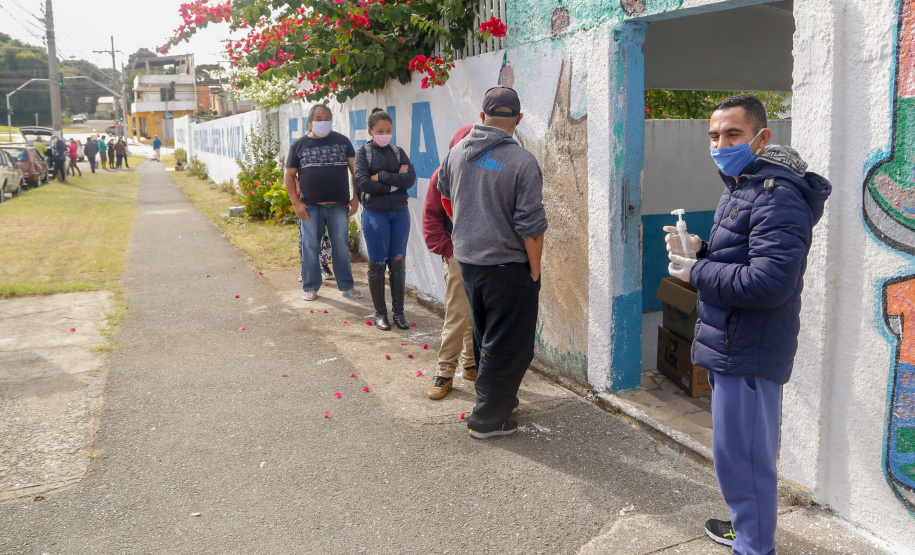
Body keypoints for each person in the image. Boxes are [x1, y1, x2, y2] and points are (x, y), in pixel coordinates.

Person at [664, 95, 832, 555]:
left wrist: (694, 273)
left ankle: (755, 547)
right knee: (734, 457)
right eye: (714, 136)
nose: (720, 143)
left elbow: (768, 283)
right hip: (731, 343)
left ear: (762, 137)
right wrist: (699, 250)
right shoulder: (743, 186)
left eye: (732, 134)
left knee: (747, 460)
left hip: (750, 349)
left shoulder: (779, 196)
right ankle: (747, 528)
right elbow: (743, 256)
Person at [437, 86, 547, 438]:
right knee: (510, 343)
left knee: (486, 336)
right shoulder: (522, 161)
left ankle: (499, 399)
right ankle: (488, 419)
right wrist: (535, 268)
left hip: (469, 262)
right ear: (518, 119)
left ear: (482, 117)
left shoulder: (456, 153)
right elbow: (531, 226)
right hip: (506, 265)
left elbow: (445, 196)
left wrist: (468, 233)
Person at [283, 103, 363, 302]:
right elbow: (289, 176)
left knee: (341, 246)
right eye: (318, 119)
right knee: (310, 246)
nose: (323, 122)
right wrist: (296, 203)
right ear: (310, 122)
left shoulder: (342, 142)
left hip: (338, 206)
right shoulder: (299, 145)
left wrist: (355, 199)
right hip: (310, 207)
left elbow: (356, 172)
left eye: (327, 118)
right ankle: (310, 287)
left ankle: (346, 285)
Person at [423, 124, 477, 399]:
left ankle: (470, 364)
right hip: (458, 255)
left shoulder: (484, 172)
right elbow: (431, 217)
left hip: (485, 254)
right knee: (458, 314)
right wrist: (448, 250)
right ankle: (445, 372)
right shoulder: (442, 174)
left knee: (476, 314)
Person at [354, 108, 416, 331]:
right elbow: (363, 182)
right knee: (377, 264)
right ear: (371, 131)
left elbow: (409, 179)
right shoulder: (364, 153)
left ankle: (399, 313)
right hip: (375, 216)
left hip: (399, 213)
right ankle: (381, 314)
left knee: (398, 263)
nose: (385, 134)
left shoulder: (398, 152)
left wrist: (380, 176)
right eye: (380, 131)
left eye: (388, 130)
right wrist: (395, 182)